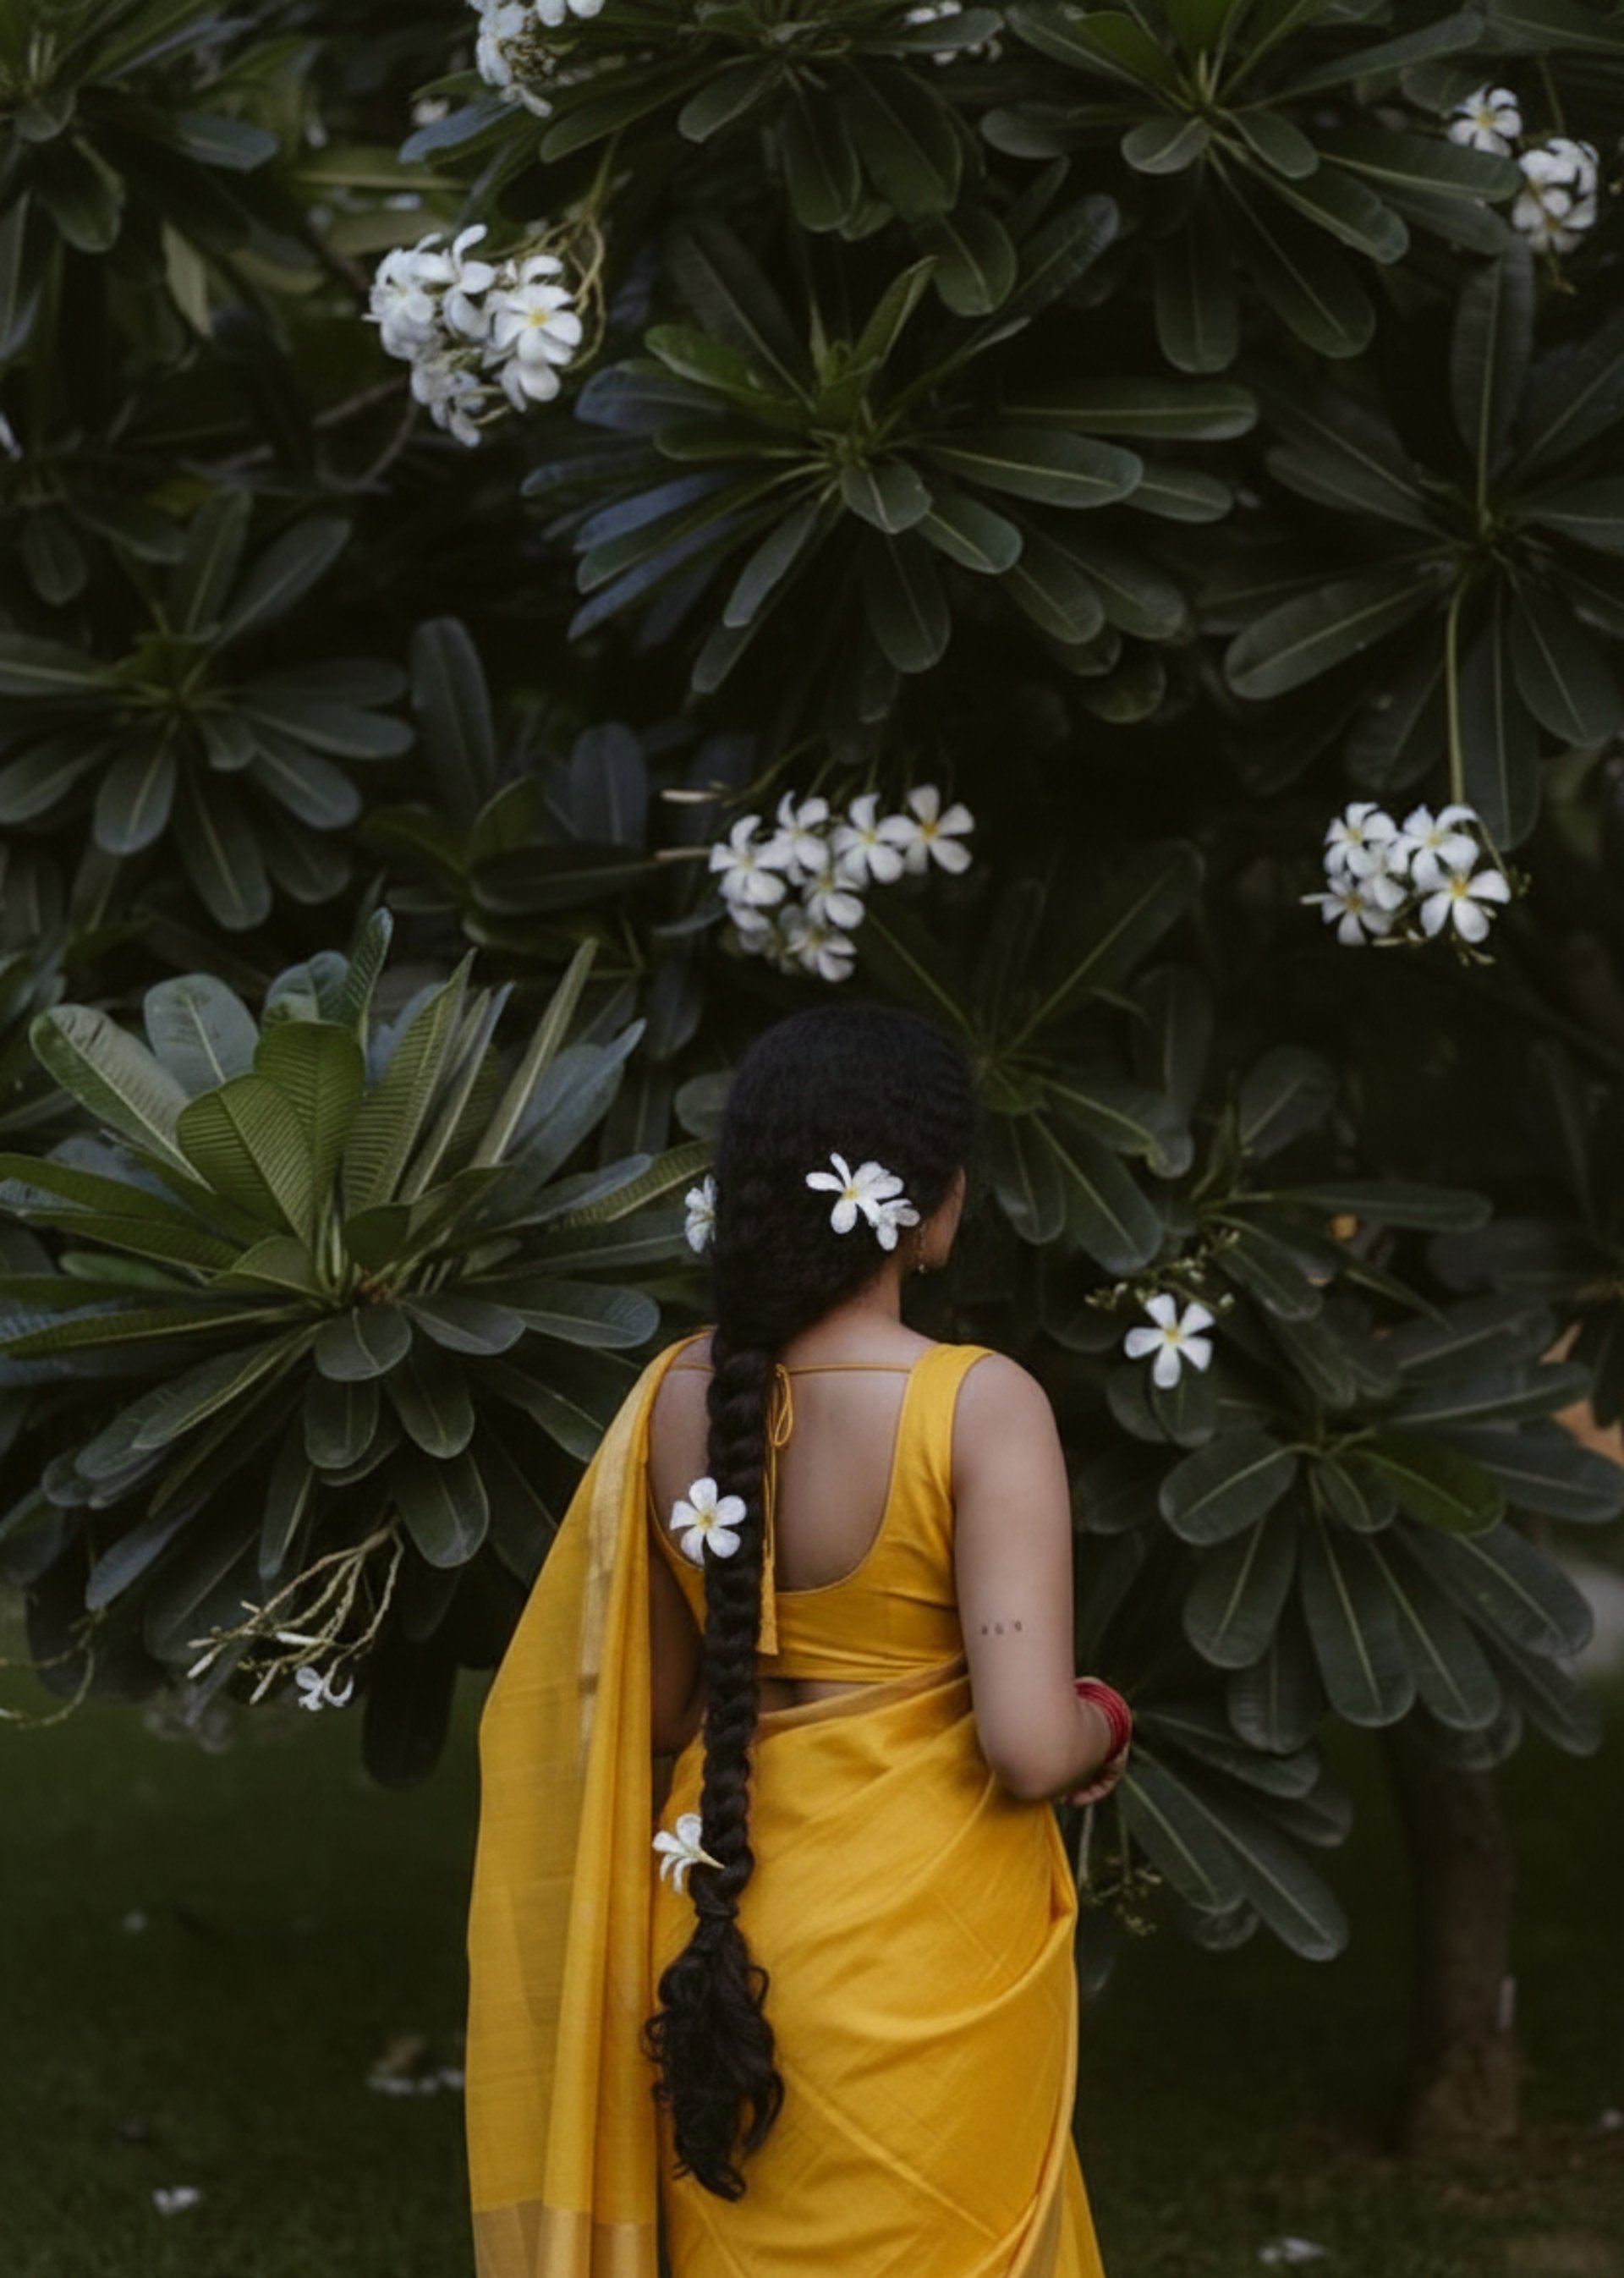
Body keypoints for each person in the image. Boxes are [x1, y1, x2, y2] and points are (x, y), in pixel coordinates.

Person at [463, 1002, 1131, 2278]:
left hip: (719, 1928)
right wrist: (1106, 1719)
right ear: (932, 1205)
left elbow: (660, 1715)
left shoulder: (671, 1399)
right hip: (918, 1959)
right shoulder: (977, 1405)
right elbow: (1030, 1742)